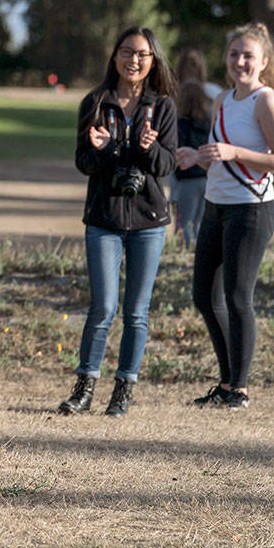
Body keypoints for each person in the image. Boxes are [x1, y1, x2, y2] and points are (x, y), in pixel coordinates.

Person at [59, 27, 177, 418]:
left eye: (142, 54)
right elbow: (84, 164)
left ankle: (123, 391)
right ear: (115, 56)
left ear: (153, 61)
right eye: (127, 52)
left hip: (149, 220)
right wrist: (103, 149)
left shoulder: (163, 107)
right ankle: (84, 388)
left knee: (137, 312)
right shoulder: (95, 102)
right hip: (104, 217)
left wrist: (149, 148)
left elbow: (167, 165)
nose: (134, 60)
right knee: (102, 307)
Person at [178, 22, 274, 410]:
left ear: (263, 61)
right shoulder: (223, 101)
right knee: (204, 295)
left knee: (237, 297)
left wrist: (235, 153)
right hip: (216, 206)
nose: (240, 61)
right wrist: (196, 157)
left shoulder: (264, 100)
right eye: (234, 54)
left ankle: (240, 388)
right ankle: (226, 382)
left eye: (248, 55)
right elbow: (216, 154)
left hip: (251, 209)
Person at [172, 49, 214, 248]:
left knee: (182, 221)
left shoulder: (179, 121)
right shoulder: (209, 119)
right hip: (206, 176)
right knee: (199, 220)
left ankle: (183, 251)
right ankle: (197, 250)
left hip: (187, 179)